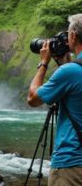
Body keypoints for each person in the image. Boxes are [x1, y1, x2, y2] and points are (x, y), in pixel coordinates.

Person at [27, 14, 82, 185]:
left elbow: (32, 99)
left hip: (71, 163)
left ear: (73, 36)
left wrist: (43, 63)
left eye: (68, 33)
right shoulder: (70, 71)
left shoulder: (69, 72)